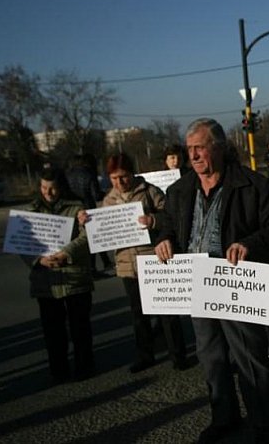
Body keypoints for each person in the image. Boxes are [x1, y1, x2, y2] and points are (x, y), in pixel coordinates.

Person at [154, 118, 269, 443]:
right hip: (196, 285)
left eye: (199, 147)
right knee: (210, 356)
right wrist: (164, 238)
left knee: (249, 356)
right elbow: (168, 224)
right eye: (189, 149)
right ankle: (224, 417)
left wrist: (250, 244)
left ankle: (263, 425)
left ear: (218, 146)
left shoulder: (252, 185)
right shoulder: (180, 189)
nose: (193, 155)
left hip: (236, 283)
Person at [79, 153, 189, 373]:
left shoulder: (149, 191)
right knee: (138, 315)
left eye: (124, 176)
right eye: (114, 178)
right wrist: (85, 223)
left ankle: (178, 356)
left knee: (167, 312)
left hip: (154, 260)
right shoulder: (108, 200)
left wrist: (153, 220)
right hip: (127, 265)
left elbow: (171, 216)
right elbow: (97, 233)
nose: (120, 182)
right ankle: (145, 355)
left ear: (132, 173)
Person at [23, 168, 95, 383]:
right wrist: (39, 260)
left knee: (80, 327)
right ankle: (59, 369)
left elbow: (87, 236)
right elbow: (23, 244)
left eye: (53, 187)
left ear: (61, 187)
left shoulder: (77, 208)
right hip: (47, 282)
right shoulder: (30, 212)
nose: (49, 192)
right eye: (44, 188)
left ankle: (85, 366)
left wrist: (67, 253)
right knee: (53, 331)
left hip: (75, 279)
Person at [66, 154, 113, 276]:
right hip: (88, 209)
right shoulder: (89, 173)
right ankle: (93, 268)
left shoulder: (67, 174)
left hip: (71, 210)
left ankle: (100, 263)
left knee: (79, 239)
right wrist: (107, 194)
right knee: (93, 239)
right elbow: (96, 194)